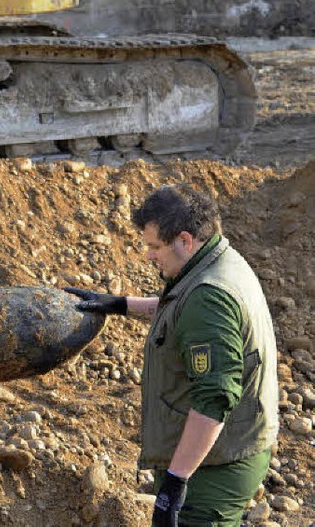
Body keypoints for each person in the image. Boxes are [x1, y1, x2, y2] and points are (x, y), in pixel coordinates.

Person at [65, 184, 278, 527]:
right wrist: (120, 304)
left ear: (184, 240)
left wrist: (175, 483)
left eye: (154, 246)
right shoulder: (218, 260)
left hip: (214, 465)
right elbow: (182, 307)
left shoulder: (210, 297)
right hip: (221, 451)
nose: (148, 255)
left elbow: (213, 399)